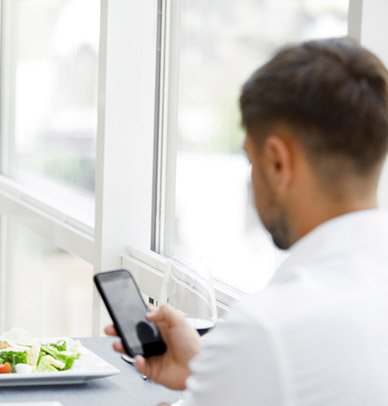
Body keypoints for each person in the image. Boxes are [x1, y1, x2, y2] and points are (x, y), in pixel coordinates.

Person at [107, 37, 388, 405]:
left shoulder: (267, 332)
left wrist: (227, 370)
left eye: (250, 160)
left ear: (277, 163)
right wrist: (211, 374)